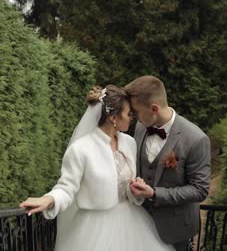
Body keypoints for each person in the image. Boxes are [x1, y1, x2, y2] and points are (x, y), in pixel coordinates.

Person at [19, 85, 175, 251]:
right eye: (128, 114)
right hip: (93, 230)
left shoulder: (129, 143)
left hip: (131, 223)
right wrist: (49, 199)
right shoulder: (81, 149)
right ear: (113, 117)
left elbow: (125, 183)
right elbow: (67, 188)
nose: (132, 118)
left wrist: (134, 187)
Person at [125, 75, 211, 251]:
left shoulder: (196, 139)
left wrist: (155, 194)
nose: (133, 117)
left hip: (175, 229)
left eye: (136, 111)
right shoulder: (141, 127)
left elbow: (200, 189)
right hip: (139, 222)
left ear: (154, 108)